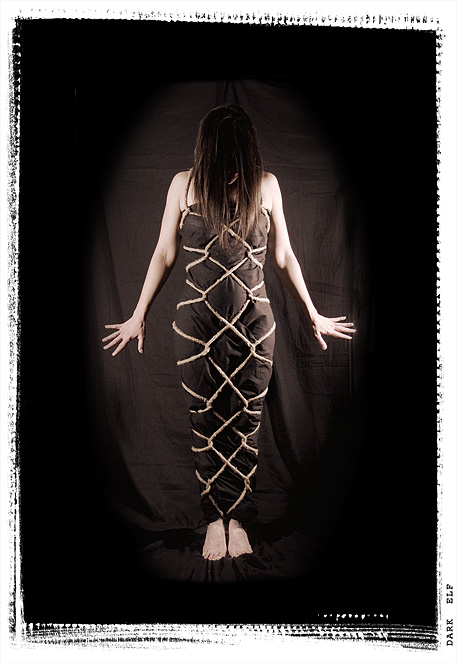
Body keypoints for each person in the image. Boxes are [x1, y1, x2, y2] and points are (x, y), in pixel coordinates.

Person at [102, 104, 356, 561]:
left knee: (246, 422)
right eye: (222, 159)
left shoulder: (267, 186)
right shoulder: (183, 185)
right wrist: (139, 313)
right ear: (207, 152)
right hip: (196, 328)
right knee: (204, 421)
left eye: (236, 159)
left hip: (254, 327)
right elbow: (164, 252)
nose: (230, 170)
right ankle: (211, 521)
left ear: (248, 153)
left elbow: (284, 256)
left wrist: (313, 313)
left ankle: (237, 520)